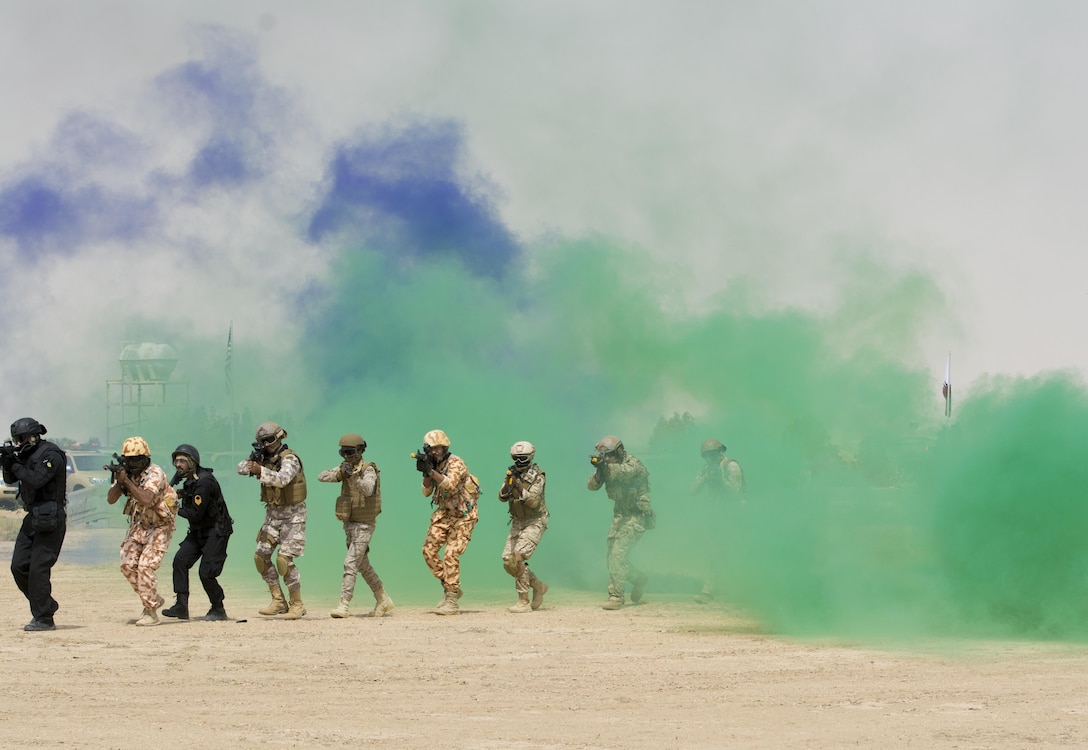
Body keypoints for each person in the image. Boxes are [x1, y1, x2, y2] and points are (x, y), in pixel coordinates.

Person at [317, 433, 394, 619]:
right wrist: (340, 473)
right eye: (342, 452)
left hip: (364, 525)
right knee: (362, 565)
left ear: (360, 451)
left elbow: (368, 490)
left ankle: (344, 604)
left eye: (350, 452)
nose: (346, 456)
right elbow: (321, 476)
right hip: (350, 524)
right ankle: (383, 598)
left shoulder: (368, 470)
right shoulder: (346, 467)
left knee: (350, 562)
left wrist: (352, 477)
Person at [238, 422, 308, 619]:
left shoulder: (290, 459)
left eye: (269, 440)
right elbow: (240, 468)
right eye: (262, 441)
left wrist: (259, 470)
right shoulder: (263, 458)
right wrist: (253, 462)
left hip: (293, 517)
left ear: (279, 438)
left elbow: (282, 479)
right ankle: (278, 600)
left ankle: (297, 604)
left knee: (284, 560)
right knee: (261, 557)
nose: (266, 444)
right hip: (272, 516)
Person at [2, 417, 66, 631]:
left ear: (33, 436)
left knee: (38, 568)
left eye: (20, 439)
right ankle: (46, 606)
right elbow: (11, 479)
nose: (19, 444)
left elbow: (37, 479)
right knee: (18, 566)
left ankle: (44, 618)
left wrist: (17, 465)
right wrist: (8, 463)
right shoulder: (25, 454)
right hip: (33, 516)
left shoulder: (51, 454)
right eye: (16, 440)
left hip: (51, 516)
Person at [107, 436, 178, 626]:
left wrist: (127, 482)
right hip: (140, 525)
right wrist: (120, 481)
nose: (133, 463)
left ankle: (151, 612)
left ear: (146, 458)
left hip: (160, 526)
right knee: (127, 565)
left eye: (137, 459)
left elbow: (146, 499)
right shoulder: (127, 474)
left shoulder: (154, 473)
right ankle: (152, 597)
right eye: (129, 460)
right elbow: (111, 499)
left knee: (145, 566)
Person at [162, 443, 233, 621]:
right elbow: (190, 496)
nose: (178, 465)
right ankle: (181, 606)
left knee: (206, 573)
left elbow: (195, 513)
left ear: (192, 462)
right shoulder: (192, 481)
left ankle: (218, 608)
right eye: (176, 461)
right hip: (198, 531)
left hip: (216, 532)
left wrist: (174, 508)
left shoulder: (204, 482)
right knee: (180, 560)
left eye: (182, 461)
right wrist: (179, 493)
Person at [417, 429, 480, 616]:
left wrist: (431, 471)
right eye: (431, 449)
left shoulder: (456, 463)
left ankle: (452, 599)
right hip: (444, 514)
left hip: (463, 515)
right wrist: (426, 472)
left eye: (438, 448)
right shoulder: (434, 465)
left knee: (451, 553)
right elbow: (426, 492)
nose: (435, 452)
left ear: (445, 447)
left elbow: (450, 484)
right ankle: (450, 587)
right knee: (428, 551)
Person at [587, 435, 654, 610]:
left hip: (636, 515)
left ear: (619, 451)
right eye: (604, 456)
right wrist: (600, 471)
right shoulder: (608, 466)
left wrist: (605, 467)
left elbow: (625, 472)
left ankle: (616, 596)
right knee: (611, 557)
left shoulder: (633, 464)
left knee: (617, 556)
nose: (606, 459)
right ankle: (639, 578)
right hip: (620, 515)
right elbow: (592, 486)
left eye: (609, 455)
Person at [689, 438, 746, 604]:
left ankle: (716, 591)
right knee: (716, 553)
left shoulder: (731, 466)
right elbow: (692, 490)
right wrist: (705, 478)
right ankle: (713, 591)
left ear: (720, 452)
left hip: (734, 516)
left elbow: (737, 493)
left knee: (729, 554)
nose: (710, 459)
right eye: (706, 456)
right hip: (717, 516)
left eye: (712, 454)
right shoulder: (706, 469)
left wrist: (721, 480)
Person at [498, 440, 549, 613]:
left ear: (530, 457)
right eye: (516, 458)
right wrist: (508, 483)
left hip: (535, 521)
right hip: (517, 522)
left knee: (517, 558)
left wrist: (519, 487)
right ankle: (538, 585)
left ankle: (523, 601)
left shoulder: (537, 476)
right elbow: (502, 497)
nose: (519, 462)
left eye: (523, 458)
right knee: (508, 561)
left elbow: (533, 502)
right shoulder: (511, 473)